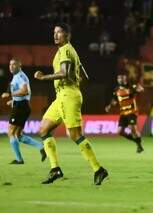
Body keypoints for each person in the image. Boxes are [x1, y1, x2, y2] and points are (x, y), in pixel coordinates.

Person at [34, 23, 108, 185]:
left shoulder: (66, 50)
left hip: (68, 95)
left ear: (67, 35)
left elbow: (64, 73)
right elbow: (85, 77)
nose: (55, 35)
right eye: (54, 32)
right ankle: (55, 170)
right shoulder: (67, 51)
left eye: (59, 32)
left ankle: (98, 169)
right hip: (61, 96)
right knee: (43, 130)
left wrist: (43, 78)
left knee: (75, 135)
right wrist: (76, 82)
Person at [1, 58, 46, 164]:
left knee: (10, 132)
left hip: (20, 107)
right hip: (21, 105)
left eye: (14, 65)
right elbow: (25, 93)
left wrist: (10, 95)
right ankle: (41, 147)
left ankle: (19, 159)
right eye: (10, 65)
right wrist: (13, 101)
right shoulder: (17, 76)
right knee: (18, 135)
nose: (11, 66)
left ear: (19, 65)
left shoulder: (20, 76)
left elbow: (25, 91)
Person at [105, 74, 144, 153]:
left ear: (125, 79)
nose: (120, 80)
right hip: (123, 113)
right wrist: (109, 106)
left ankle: (139, 146)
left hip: (132, 112)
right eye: (119, 78)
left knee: (133, 129)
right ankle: (136, 141)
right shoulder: (116, 89)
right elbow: (114, 100)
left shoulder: (130, 87)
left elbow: (140, 89)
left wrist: (140, 89)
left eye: (122, 78)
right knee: (119, 132)